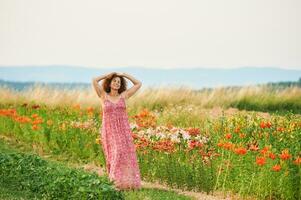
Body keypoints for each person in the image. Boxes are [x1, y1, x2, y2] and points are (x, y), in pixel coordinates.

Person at [92, 72, 142, 191]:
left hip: (123, 129)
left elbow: (138, 83)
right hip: (109, 130)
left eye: (119, 82)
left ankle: (126, 182)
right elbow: (94, 80)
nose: (117, 83)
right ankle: (114, 181)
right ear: (110, 83)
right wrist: (107, 75)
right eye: (114, 81)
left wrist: (124, 75)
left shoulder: (123, 96)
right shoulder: (103, 95)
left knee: (124, 154)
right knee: (115, 153)